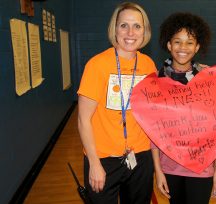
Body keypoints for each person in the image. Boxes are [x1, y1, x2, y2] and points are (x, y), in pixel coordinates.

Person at [77, 2, 156, 204]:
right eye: (124, 25)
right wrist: (94, 163)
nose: (130, 32)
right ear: (115, 29)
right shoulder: (97, 65)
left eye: (137, 26)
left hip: (140, 156)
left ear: (144, 31)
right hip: (103, 159)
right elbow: (83, 120)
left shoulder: (148, 64)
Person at [152, 12, 216, 204]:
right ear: (169, 45)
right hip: (169, 168)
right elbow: (154, 132)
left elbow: (215, 130)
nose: (183, 48)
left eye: (189, 42)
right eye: (177, 42)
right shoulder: (156, 81)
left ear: (197, 46)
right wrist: (158, 171)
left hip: (202, 168)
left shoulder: (207, 78)